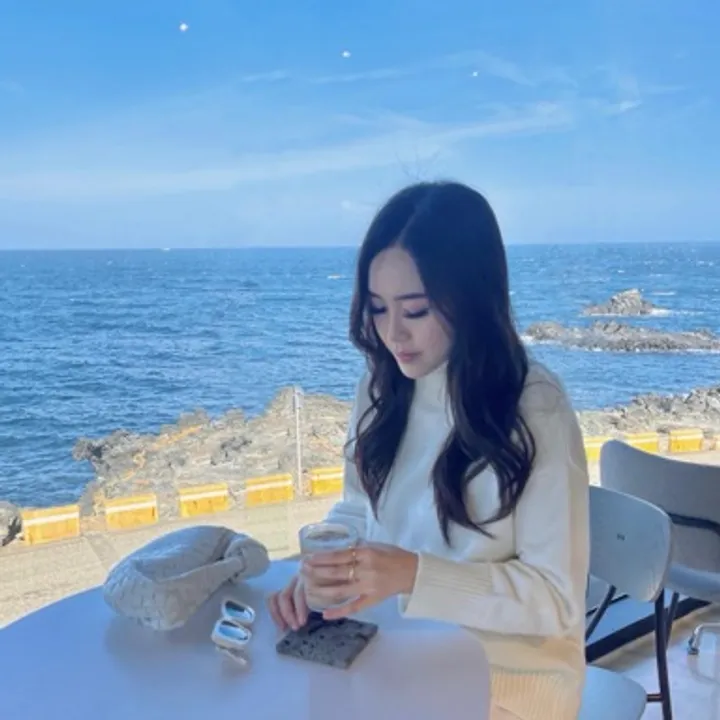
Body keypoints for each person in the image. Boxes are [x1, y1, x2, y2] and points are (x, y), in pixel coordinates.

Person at [268, 181, 590, 720]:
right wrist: (321, 570)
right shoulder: (381, 387)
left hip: (511, 681)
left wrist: (415, 575)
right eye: (377, 308)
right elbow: (359, 508)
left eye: (415, 311)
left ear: (470, 298)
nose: (392, 334)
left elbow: (555, 600)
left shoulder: (535, 407)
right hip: (398, 651)